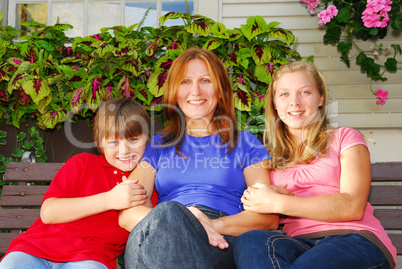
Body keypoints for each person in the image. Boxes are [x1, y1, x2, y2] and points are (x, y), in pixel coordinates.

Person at [118, 48, 282, 268]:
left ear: (221, 89)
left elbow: (267, 218)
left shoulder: (245, 143)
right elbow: (128, 214)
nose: (195, 91)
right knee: (168, 214)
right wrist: (182, 221)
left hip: (219, 237)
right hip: (161, 228)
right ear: (174, 92)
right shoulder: (159, 145)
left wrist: (206, 224)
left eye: (205, 80)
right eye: (185, 82)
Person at [233, 61, 397, 269]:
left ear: (320, 98)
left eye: (304, 92)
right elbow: (255, 204)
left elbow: (352, 206)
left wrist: (277, 202)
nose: (294, 102)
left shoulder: (345, 138)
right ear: (274, 103)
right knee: (252, 242)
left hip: (355, 239)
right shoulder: (266, 157)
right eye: (284, 94)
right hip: (297, 244)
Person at [0, 98, 151, 269]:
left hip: (90, 259)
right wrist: (109, 199)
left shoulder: (148, 179)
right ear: (100, 143)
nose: (124, 151)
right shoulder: (83, 163)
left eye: (133, 140)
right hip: (35, 250)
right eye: (114, 142)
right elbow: (48, 213)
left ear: (147, 139)